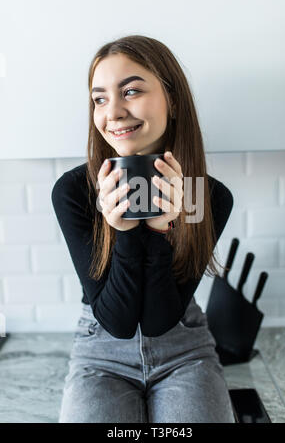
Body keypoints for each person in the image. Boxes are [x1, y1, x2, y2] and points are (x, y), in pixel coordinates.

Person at [51, 35, 235, 423]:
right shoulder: (74, 192)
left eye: (130, 91)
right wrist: (126, 231)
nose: (112, 112)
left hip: (184, 349)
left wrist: (157, 230)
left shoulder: (205, 195)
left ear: (173, 99)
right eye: (99, 99)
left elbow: (158, 320)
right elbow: (116, 322)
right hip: (101, 352)